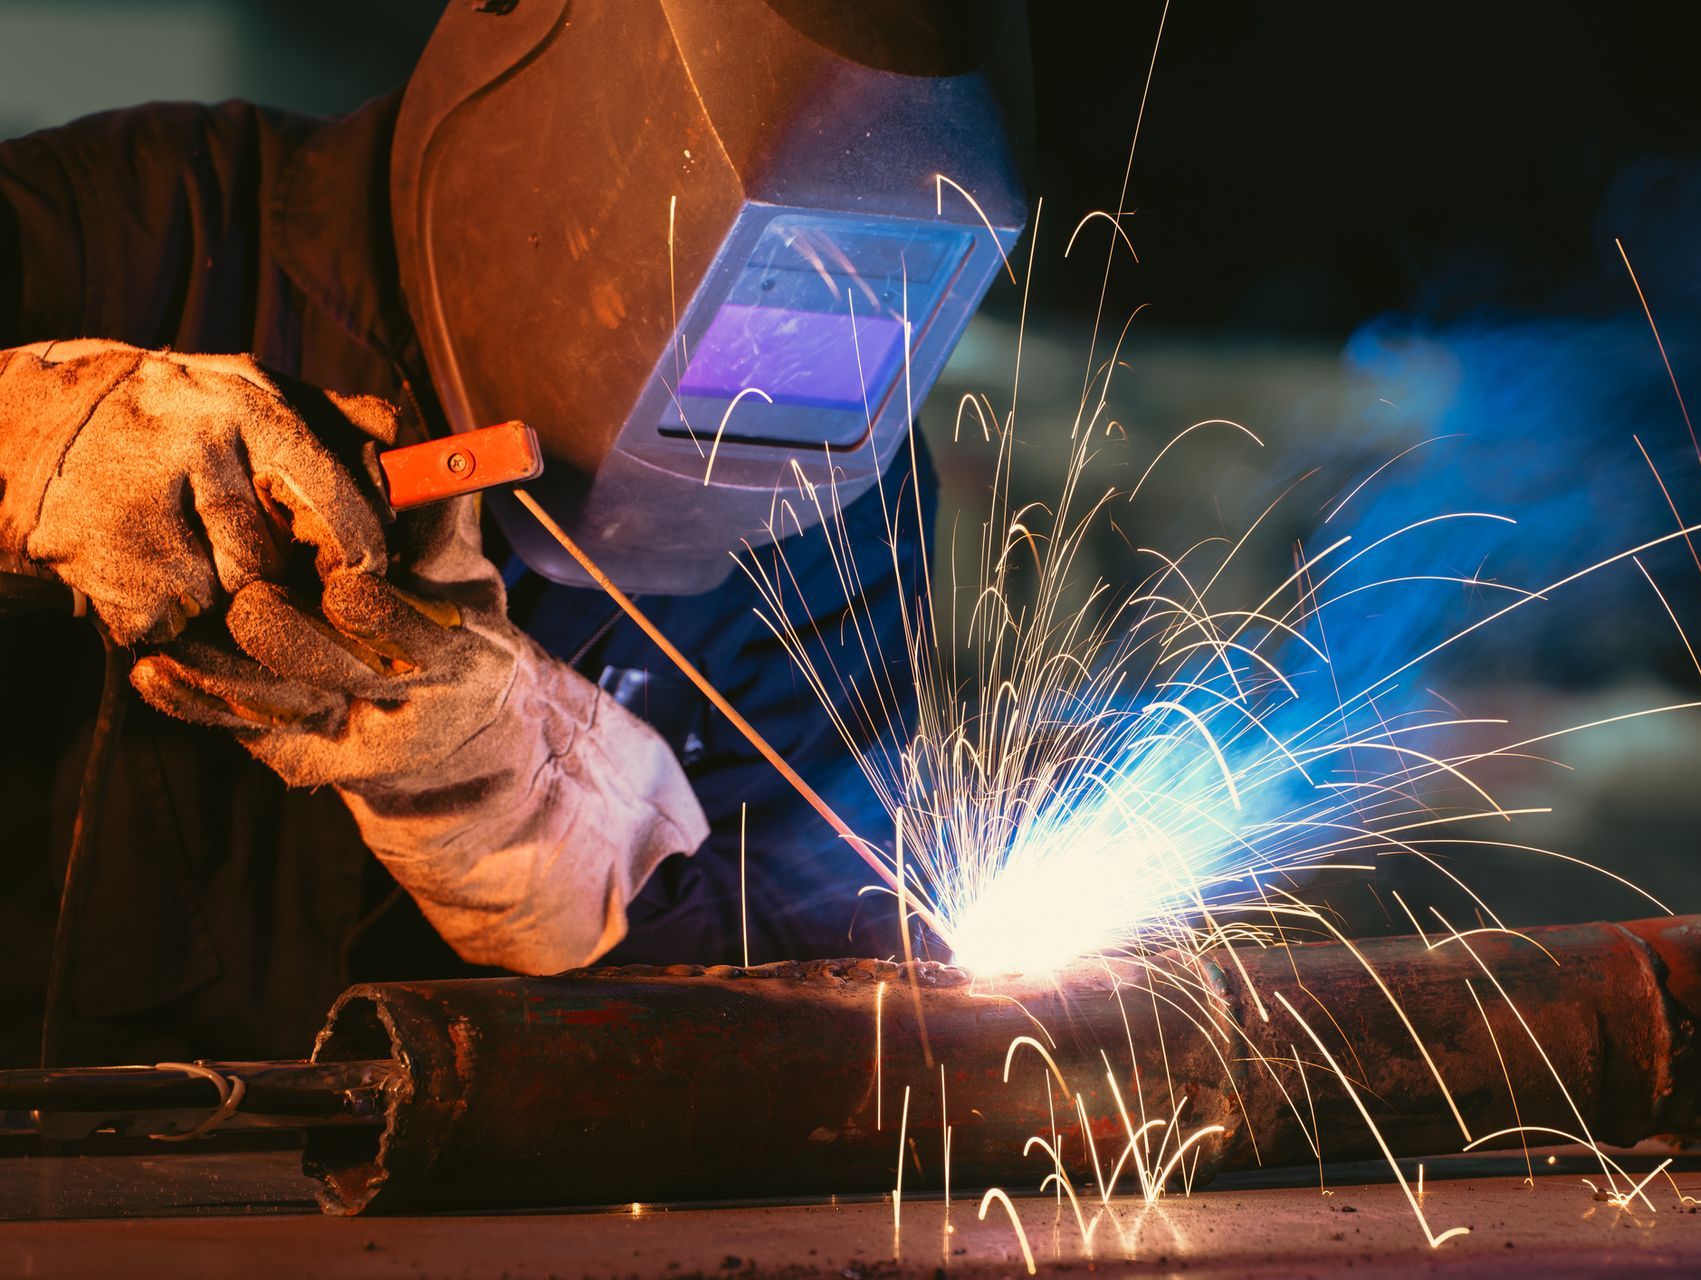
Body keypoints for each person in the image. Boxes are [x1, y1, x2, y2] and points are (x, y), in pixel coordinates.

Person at [0, 0, 1025, 1067]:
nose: (784, 354)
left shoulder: (844, 503)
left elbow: (820, 963)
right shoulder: (139, 227)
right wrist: (34, 439)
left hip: (464, 1163)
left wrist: (542, 825)